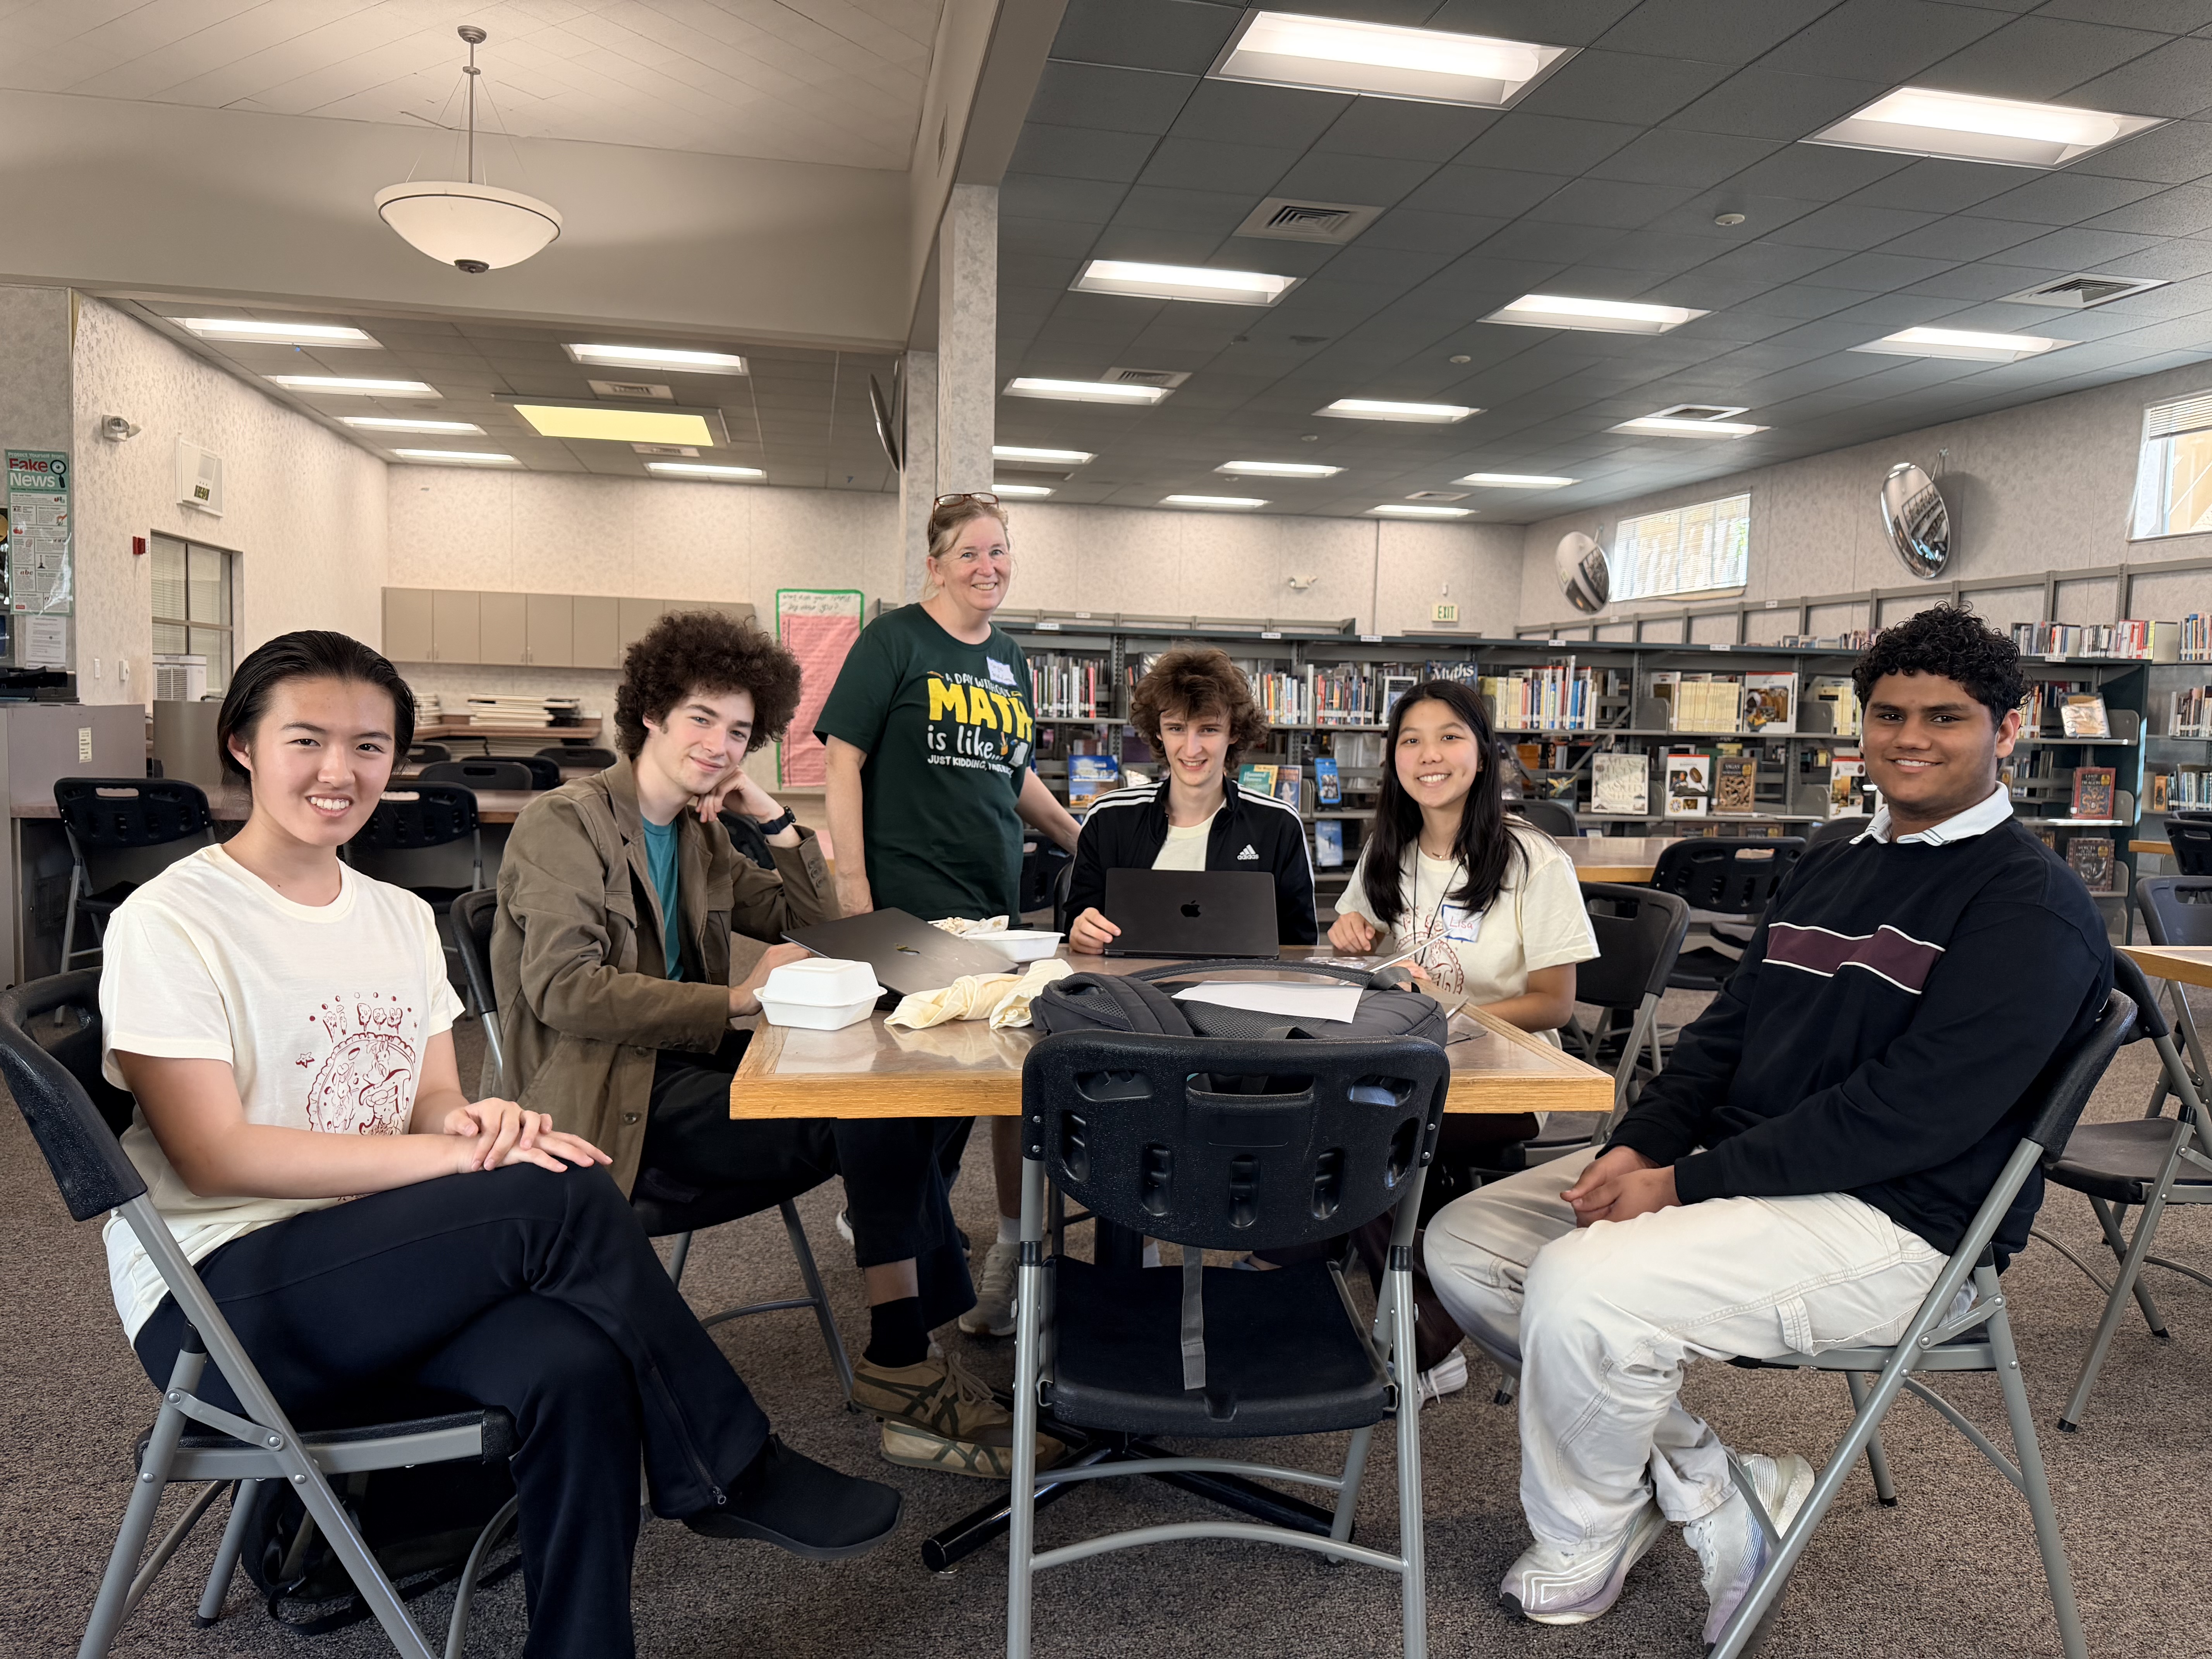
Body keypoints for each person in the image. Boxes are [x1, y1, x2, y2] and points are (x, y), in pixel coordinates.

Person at [101, 631, 900, 1659]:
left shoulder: (395, 915)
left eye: (370, 746)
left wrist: (473, 1124)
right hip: (221, 1302)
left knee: (574, 1356)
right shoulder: (171, 920)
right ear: (243, 745)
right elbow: (215, 1158)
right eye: (307, 739)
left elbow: (431, 1095)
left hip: (378, 1262)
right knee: (558, 1191)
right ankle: (731, 1464)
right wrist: (457, 1160)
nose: (339, 771)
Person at [1424, 606, 2113, 1642]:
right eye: (1888, 714)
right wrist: (1640, 1145)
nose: (1911, 738)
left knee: (1581, 1284)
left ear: (2007, 732)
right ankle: (1716, 1480)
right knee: (1467, 1242)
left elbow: (1904, 1119)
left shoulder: (2034, 905)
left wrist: (1682, 1185)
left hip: (1900, 1222)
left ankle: (1583, 1539)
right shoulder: (1834, 857)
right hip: (1750, 1176)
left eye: (1948, 717)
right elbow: (1723, 1033)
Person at [495, 610, 1057, 1480]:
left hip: (691, 1076)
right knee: (871, 1110)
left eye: (741, 733)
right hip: (609, 1105)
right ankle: (904, 1365)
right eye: (702, 721)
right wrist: (734, 999)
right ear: (651, 713)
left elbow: (825, 923)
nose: (721, 747)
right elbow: (564, 990)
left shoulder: (700, 832)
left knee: (889, 1084)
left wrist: (776, 821)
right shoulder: (565, 825)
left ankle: (907, 1353)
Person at [817, 493, 1081, 1340]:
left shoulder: (1009, 657)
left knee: (968, 1080)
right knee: (910, 1085)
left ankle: (901, 1225)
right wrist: (854, 896)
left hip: (991, 909)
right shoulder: (894, 641)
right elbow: (842, 762)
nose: (988, 567)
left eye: (1000, 552)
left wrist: (1082, 835)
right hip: (905, 901)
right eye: (969, 553)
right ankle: (892, 1237)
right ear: (934, 564)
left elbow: (1012, 773)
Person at [1329, 677, 1597, 1032]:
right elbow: (1359, 961)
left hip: (1504, 1062)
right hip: (1406, 1052)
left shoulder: (1535, 860)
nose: (1430, 755)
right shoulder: (1388, 847)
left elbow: (1554, 1006)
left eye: (1450, 737)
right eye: (1411, 741)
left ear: (1483, 757)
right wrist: (1350, 942)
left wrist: (1442, 1012)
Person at [1065, 645, 1315, 954]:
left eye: (1208, 729)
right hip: (1130, 993)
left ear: (1234, 732)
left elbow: (1301, 946)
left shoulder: (1277, 824)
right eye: (1176, 729)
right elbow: (1074, 928)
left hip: (1237, 994)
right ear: (1158, 732)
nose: (1191, 748)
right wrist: (1081, 932)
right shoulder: (1110, 818)